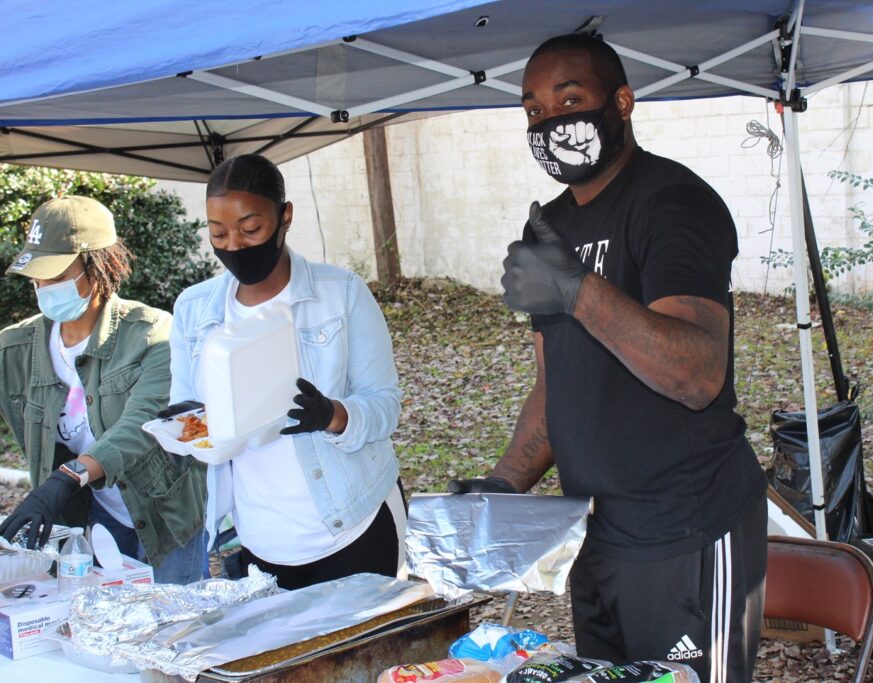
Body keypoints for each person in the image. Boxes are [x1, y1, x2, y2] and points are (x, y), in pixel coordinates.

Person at [449, 34, 768, 682]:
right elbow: (555, 382)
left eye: (570, 99)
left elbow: (698, 372)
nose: (550, 123)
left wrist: (577, 290)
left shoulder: (674, 204)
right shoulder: (553, 229)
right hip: (597, 536)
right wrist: (508, 482)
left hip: (690, 534)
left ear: (621, 103)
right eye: (534, 111)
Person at [169, 153, 405, 591]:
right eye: (218, 233)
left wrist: (332, 415)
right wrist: (189, 425)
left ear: (285, 217)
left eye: (251, 228)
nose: (235, 245)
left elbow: (385, 406)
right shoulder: (194, 309)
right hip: (259, 538)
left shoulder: (342, 295)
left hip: (353, 523)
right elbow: (184, 410)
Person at [0, 196, 208, 584]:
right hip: (93, 521)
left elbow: (143, 424)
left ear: (96, 267)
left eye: (59, 275)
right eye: (38, 277)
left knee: (183, 630)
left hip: (166, 518)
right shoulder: (14, 350)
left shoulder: (151, 333)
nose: (45, 287)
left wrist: (67, 477)